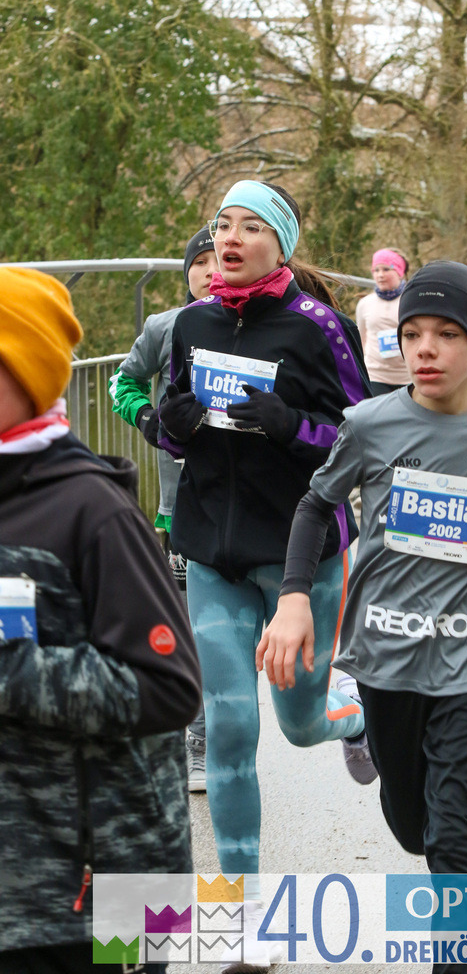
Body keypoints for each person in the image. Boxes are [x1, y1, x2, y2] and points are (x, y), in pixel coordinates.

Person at [257, 260, 467, 974]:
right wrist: (293, 598)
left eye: (446, 334)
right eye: (412, 332)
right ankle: (408, 758)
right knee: (414, 828)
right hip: (389, 653)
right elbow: (316, 505)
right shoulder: (369, 424)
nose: (425, 348)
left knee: (457, 846)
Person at [157, 179, 371, 972]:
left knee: (301, 724)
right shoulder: (190, 323)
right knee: (229, 731)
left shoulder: (318, 327)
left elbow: (361, 438)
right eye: (222, 225)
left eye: (251, 226)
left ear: (280, 243)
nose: (231, 238)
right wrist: (169, 424)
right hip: (211, 552)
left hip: (299, 557)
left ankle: (355, 718)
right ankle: (242, 918)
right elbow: (173, 427)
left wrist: (290, 427)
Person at [0, 268, 202, 974]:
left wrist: (14, 671)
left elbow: (169, 688)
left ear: (29, 374)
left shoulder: (95, 511)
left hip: (101, 899)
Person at [109, 224, 217, 792]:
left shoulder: (261, 326)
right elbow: (121, 383)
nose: (210, 271)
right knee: (188, 626)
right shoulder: (164, 327)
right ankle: (197, 738)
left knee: (232, 634)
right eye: (199, 262)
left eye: (219, 259)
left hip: (249, 506)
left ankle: (222, 728)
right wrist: (149, 421)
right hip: (180, 509)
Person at [356, 247, 410, 394]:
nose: (380, 275)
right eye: (376, 270)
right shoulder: (365, 303)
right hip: (375, 376)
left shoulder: (411, 301)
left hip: (407, 377)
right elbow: (361, 340)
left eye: (386, 269)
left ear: (399, 272)